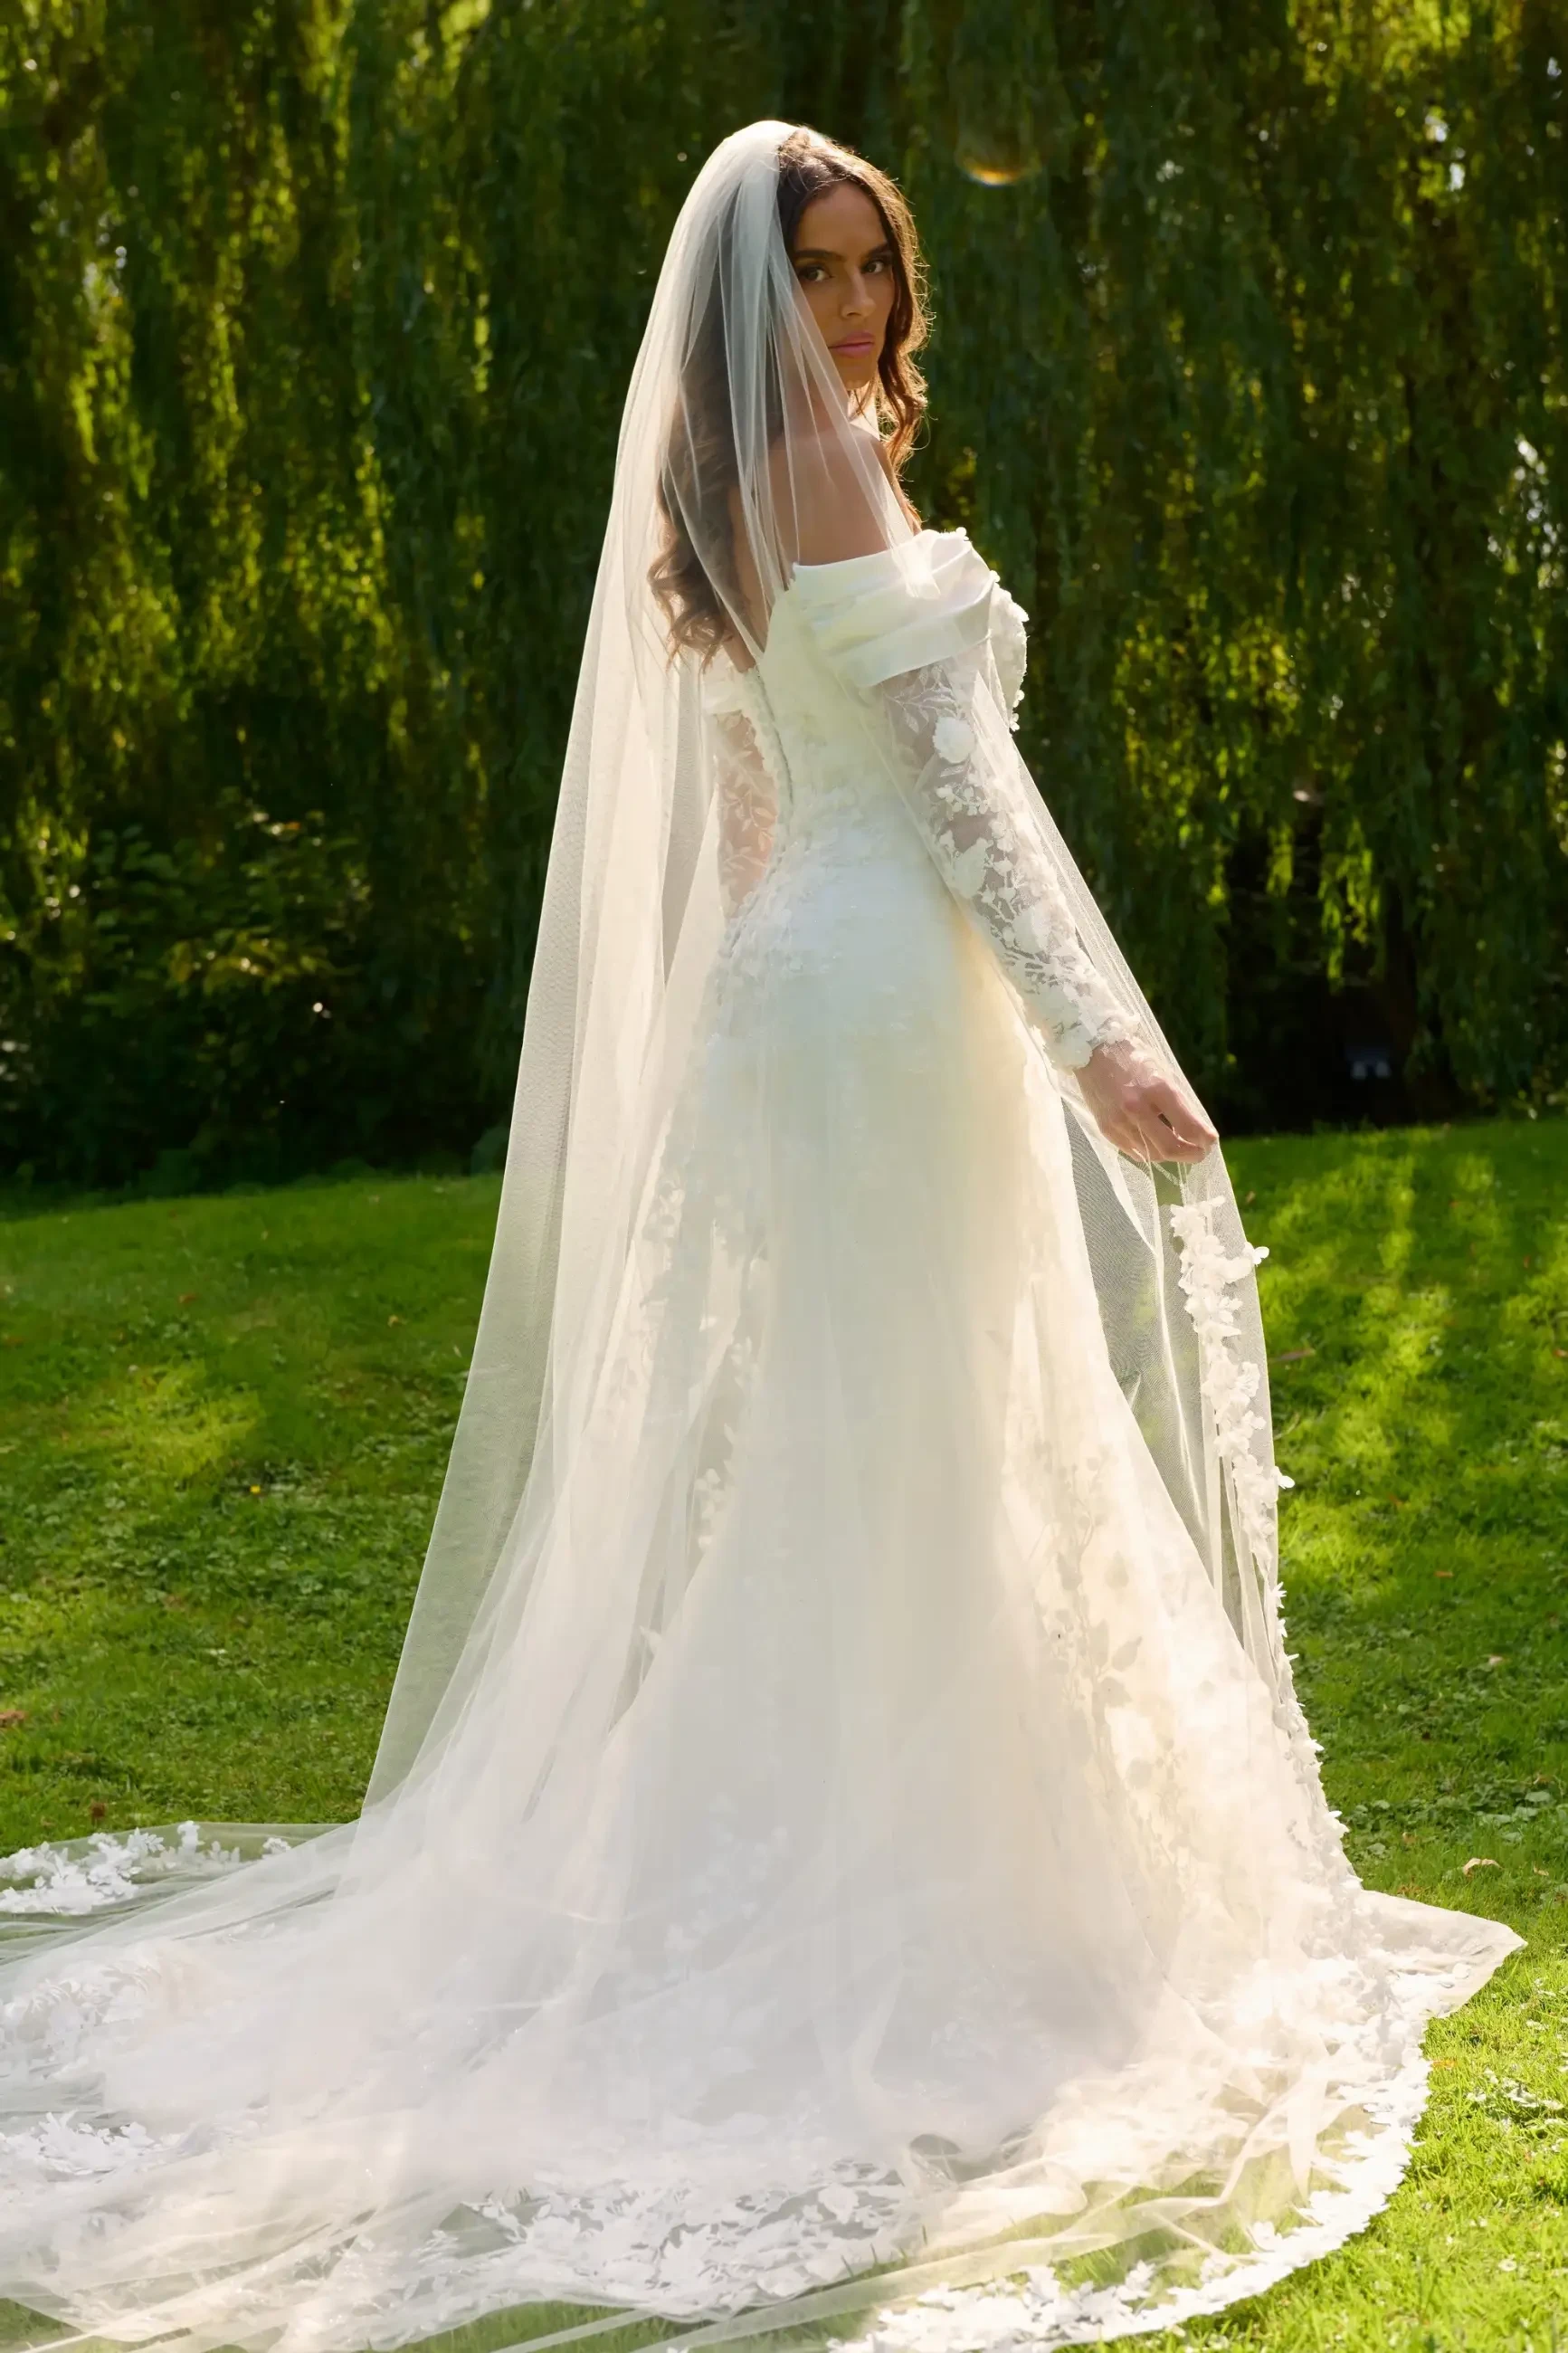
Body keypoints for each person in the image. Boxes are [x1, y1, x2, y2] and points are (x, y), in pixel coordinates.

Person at [0, 120, 1518, 2353]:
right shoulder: (814, 483)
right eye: (810, 273)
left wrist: (756, 1033)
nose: (845, 315)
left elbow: (748, 817)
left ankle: (909, 1851)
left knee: (875, 1431)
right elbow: (963, 795)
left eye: (869, 271)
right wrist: (1108, 1042)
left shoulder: (713, 499)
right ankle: (910, 1896)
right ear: (748, 291)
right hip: (889, 990)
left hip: (821, 998)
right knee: (908, 1427)